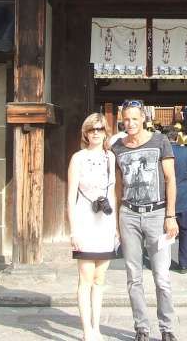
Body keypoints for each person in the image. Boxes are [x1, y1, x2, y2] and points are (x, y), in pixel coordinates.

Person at [112, 100, 179, 341]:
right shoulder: (118, 147)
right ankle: (141, 327)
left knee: (162, 276)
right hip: (128, 214)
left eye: (134, 119)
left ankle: (167, 327)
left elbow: (170, 179)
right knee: (133, 276)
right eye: (126, 119)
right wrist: (116, 220)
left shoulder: (160, 141)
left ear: (143, 119)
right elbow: (117, 185)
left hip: (157, 214)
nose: (129, 124)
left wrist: (170, 216)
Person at [67, 113, 118, 341]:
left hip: (105, 221)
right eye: (91, 129)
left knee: (100, 279)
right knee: (85, 278)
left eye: (100, 129)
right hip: (85, 220)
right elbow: (70, 197)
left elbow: (114, 194)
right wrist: (73, 229)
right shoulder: (78, 158)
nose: (96, 133)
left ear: (106, 131)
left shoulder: (111, 158)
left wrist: (115, 226)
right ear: (85, 133)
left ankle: (97, 326)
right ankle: (87, 330)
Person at [168, 127, 187, 273]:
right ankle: (185, 264)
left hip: (165, 197)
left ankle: (163, 262)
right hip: (184, 196)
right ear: (176, 137)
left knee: (163, 232)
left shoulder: (160, 152)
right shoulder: (185, 151)